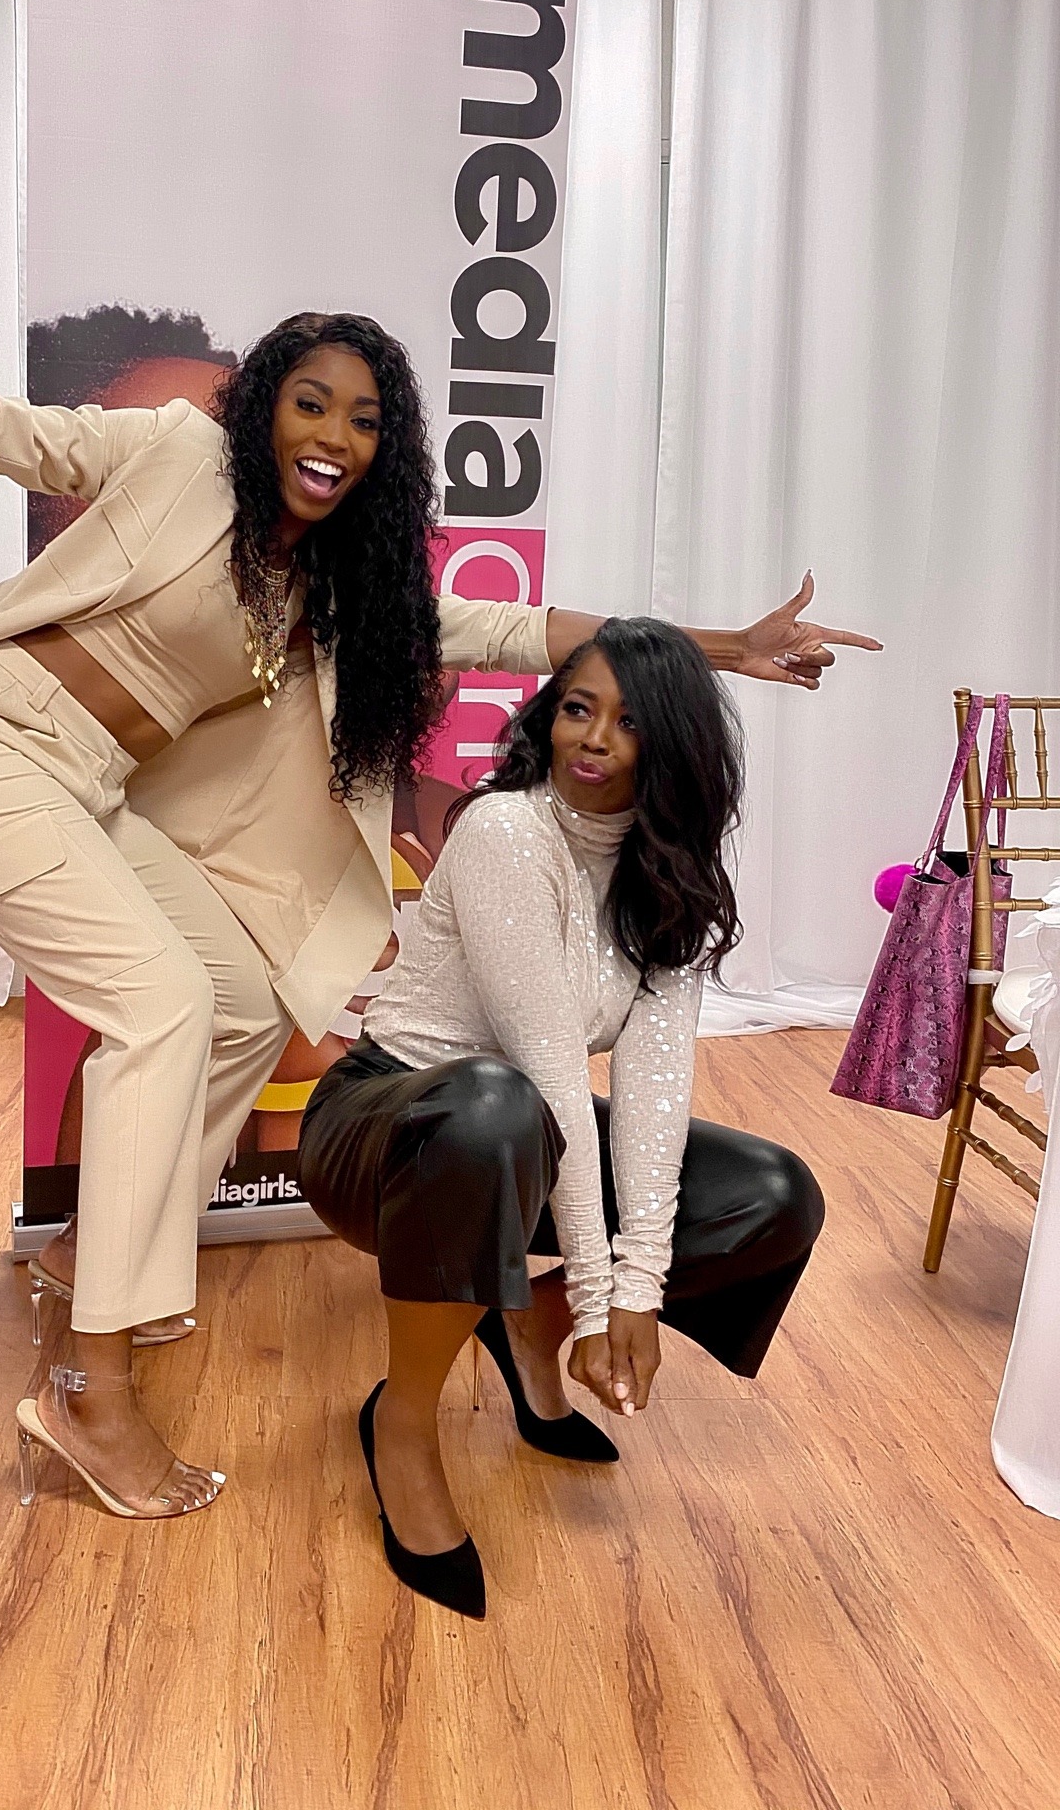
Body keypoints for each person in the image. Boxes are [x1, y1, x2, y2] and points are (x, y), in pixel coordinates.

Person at [0, 220, 870, 1525]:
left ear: (386, 452)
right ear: (264, 407)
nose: (332, 435)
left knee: (238, 996)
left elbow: (518, 626)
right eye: (310, 402)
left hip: (84, 786)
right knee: (161, 1002)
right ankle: (89, 1392)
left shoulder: (342, 594)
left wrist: (716, 647)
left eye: (364, 421)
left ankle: (90, 1264)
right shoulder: (176, 457)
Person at [298, 619, 826, 1618]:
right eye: (579, 708)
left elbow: (654, 1092)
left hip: (514, 1135)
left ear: (671, 746)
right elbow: (544, 1070)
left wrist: (638, 1290)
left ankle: (526, 1331)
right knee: (497, 1104)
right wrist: (598, 1298)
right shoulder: (507, 833)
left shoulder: (670, 876)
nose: (594, 738)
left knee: (771, 1194)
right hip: (382, 1124)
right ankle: (402, 1420)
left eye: (628, 722)